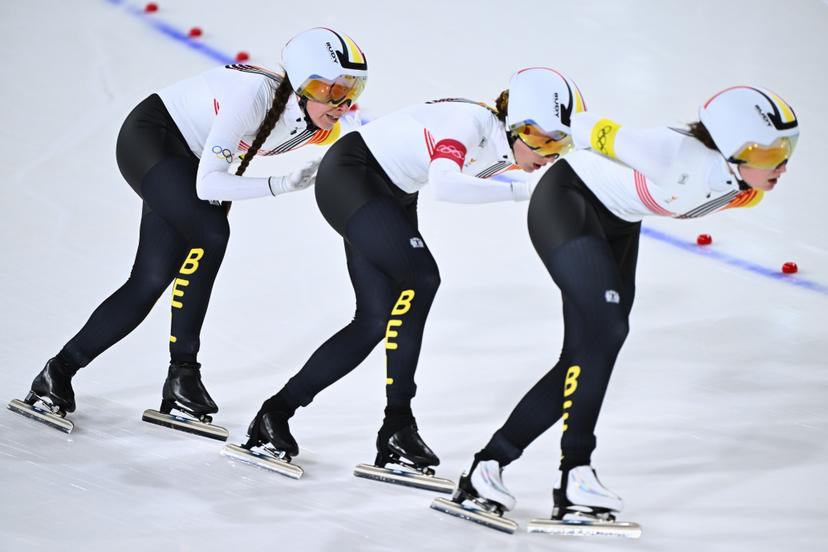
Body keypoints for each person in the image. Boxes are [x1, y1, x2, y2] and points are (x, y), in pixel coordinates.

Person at [450, 86, 799, 524]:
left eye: (787, 151)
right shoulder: (673, 152)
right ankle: (575, 473)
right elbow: (586, 127)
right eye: (769, 154)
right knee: (607, 329)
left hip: (617, 223)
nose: (782, 166)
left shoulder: (746, 187)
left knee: (586, 354)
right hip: (568, 201)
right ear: (733, 144)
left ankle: (487, 467)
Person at [10, 28, 368, 433]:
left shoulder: (320, 126)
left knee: (149, 279)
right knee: (211, 235)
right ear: (301, 85)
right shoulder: (254, 95)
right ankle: (183, 374)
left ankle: (56, 374)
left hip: (185, 162)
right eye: (329, 89)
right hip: (152, 137)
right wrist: (282, 184)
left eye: (352, 90)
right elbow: (208, 185)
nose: (341, 103)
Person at [241, 68, 586, 482]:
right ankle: (398, 424)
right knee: (421, 278)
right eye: (541, 140)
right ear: (516, 124)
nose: (547, 155)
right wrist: (524, 192)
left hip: (391, 191)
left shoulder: (502, 142)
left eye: (558, 144)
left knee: (372, 321)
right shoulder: (471, 123)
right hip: (354, 177)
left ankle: (275, 413)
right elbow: (445, 184)